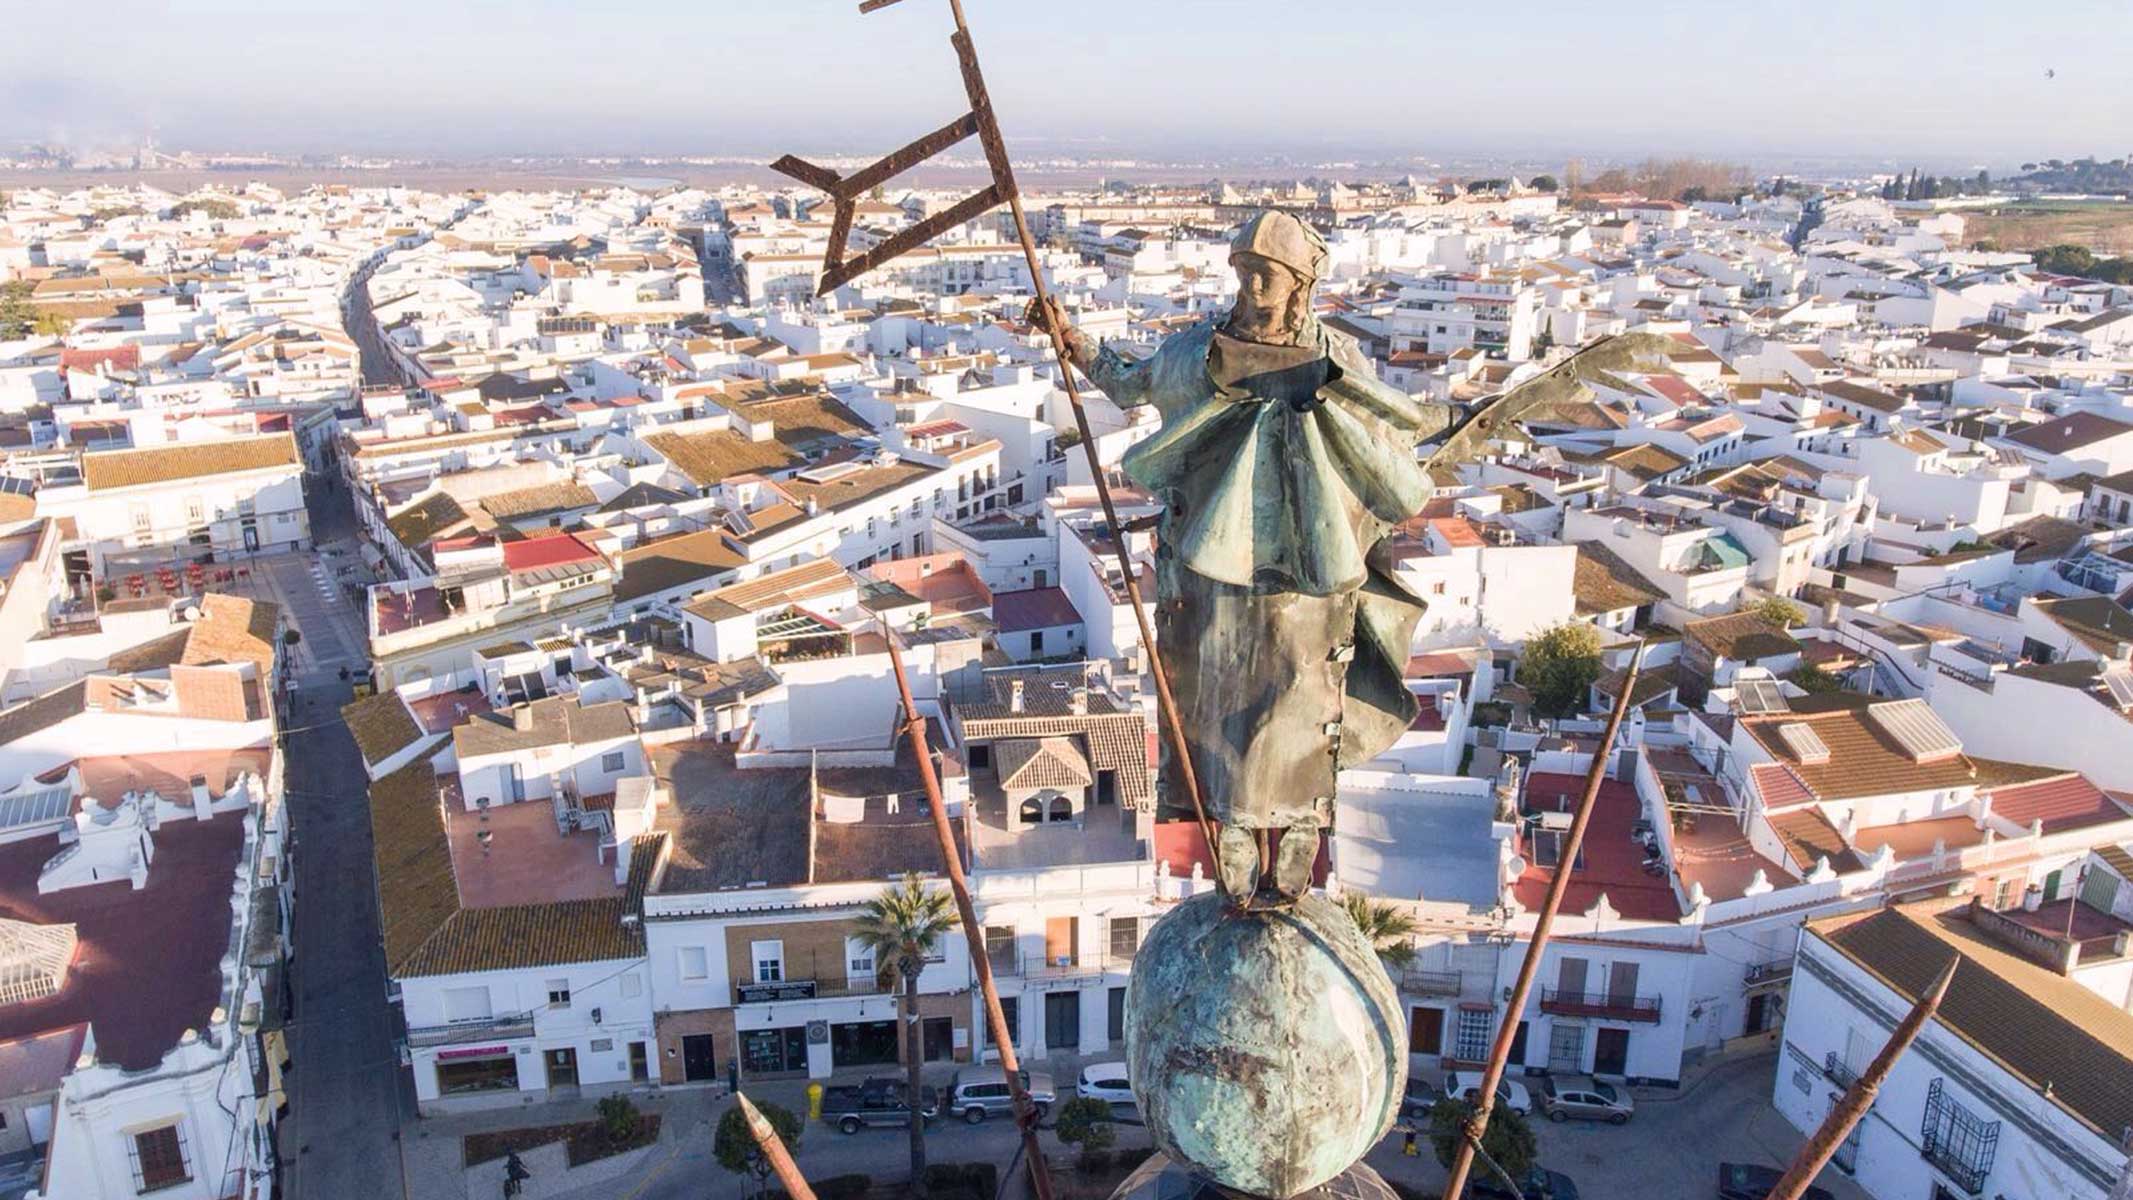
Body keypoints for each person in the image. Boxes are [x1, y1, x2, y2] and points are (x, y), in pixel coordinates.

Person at [1033, 211, 1451, 903]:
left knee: (1303, 686)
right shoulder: (1201, 350)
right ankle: (1229, 815)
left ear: (1299, 283)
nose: (1253, 285)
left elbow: (1383, 433)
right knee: (1217, 688)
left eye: (1268, 274)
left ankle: (1299, 822)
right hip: (1211, 552)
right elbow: (1132, 384)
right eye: (1245, 271)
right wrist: (1070, 340)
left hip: (1309, 561)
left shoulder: (1333, 356)